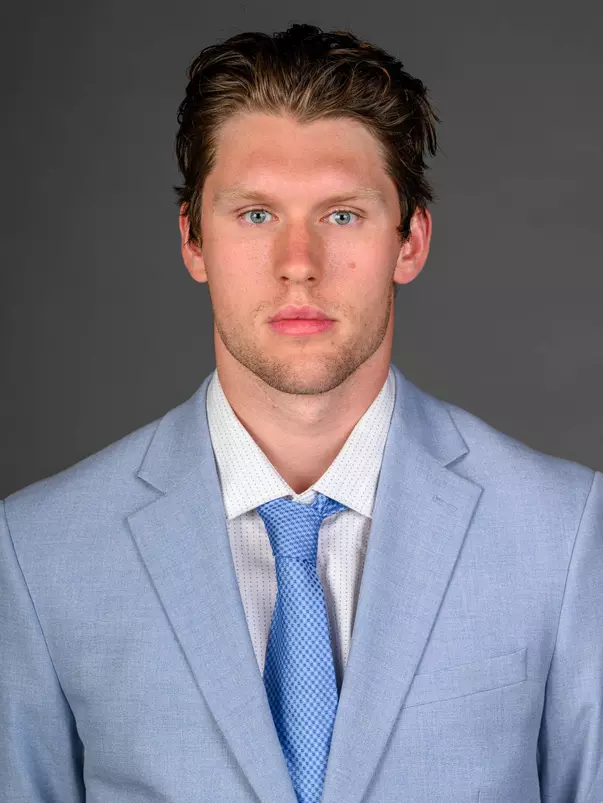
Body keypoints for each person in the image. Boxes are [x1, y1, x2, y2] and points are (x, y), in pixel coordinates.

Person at [0, 22, 601, 803]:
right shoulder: (38, 553)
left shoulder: (564, 533)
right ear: (192, 240)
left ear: (408, 239)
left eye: (341, 214)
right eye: (254, 214)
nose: (297, 264)